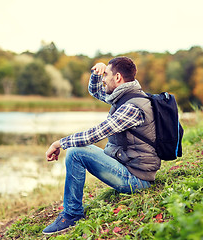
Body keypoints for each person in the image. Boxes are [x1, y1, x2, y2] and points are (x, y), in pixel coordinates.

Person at [43, 56, 160, 234]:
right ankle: (72, 213)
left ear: (118, 78)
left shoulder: (132, 107)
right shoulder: (126, 96)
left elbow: (95, 134)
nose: (104, 79)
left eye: (107, 75)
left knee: (75, 153)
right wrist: (98, 73)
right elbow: (97, 92)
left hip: (136, 179)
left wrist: (59, 143)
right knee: (76, 150)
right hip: (130, 168)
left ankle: (72, 215)